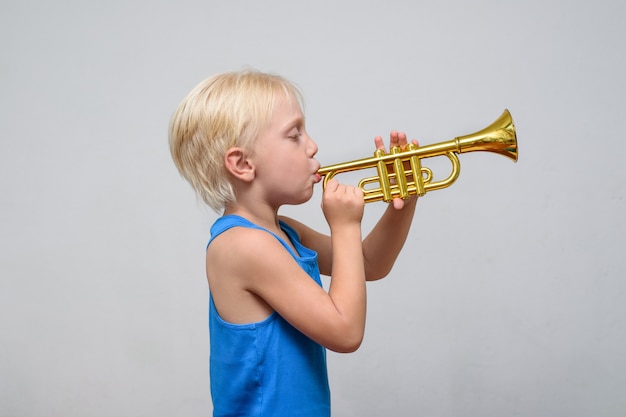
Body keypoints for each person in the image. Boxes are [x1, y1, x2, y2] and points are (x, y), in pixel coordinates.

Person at [169, 70, 418, 417]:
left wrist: (404, 200)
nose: (312, 145)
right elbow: (345, 333)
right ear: (242, 163)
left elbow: (369, 264)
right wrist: (345, 226)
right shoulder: (243, 245)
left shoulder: (284, 231)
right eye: (294, 135)